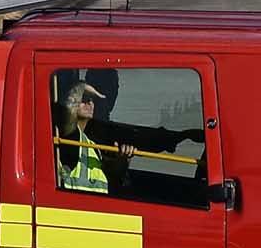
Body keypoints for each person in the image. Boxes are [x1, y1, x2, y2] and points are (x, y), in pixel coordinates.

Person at [55, 69, 204, 196]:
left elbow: (110, 181)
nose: (90, 102)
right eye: (85, 98)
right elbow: (69, 117)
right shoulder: (69, 137)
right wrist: (80, 88)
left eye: (92, 99)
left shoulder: (92, 145)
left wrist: (122, 161)